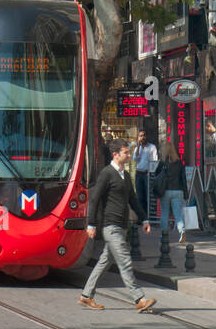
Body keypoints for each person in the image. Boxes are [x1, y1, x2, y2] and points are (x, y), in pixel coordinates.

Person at [78, 140, 155, 314]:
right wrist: (91, 224)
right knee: (125, 261)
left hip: (122, 226)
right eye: (126, 153)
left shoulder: (125, 176)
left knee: (104, 262)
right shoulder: (106, 174)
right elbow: (95, 199)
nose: (129, 156)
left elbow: (133, 200)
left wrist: (144, 220)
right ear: (115, 154)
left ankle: (86, 295)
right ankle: (139, 299)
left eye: (129, 152)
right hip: (110, 226)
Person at [158, 143, 188, 243]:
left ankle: (164, 235)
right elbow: (183, 178)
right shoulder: (179, 163)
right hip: (178, 191)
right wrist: (186, 193)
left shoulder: (162, 162)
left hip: (165, 191)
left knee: (165, 213)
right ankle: (182, 230)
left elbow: (156, 175)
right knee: (178, 214)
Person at [133, 130, 159, 220]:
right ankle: (142, 218)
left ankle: (151, 218)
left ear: (146, 136)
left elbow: (155, 160)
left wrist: (151, 172)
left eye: (143, 135)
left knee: (149, 195)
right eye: (140, 136)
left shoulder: (152, 147)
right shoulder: (137, 148)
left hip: (147, 174)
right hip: (139, 173)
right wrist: (138, 146)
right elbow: (135, 159)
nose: (142, 137)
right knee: (140, 196)